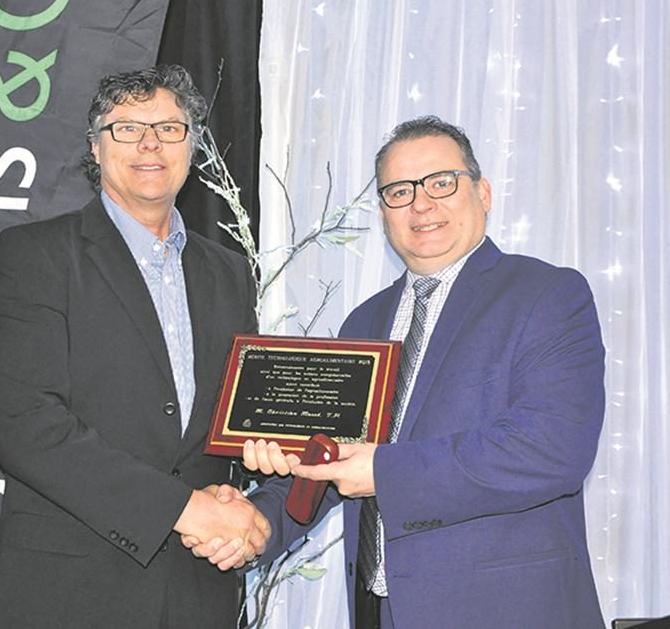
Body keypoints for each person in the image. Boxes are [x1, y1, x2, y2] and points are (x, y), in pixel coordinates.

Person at [188, 116, 606, 629]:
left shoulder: (547, 295)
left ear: (484, 192)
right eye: (399, 191)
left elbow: (552, 448)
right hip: (378, 611)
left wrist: (383, 472)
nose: (421, 204)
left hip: (506, 610)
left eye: (440, 183)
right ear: (383, 211)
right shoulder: (363, 322)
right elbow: (330, 460)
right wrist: (255, 522)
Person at [0, 64, 269, 629]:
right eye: (127, 128)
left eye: (169, 127)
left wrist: (255, 503)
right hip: (71, 592)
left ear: (193, 146)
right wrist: (188, 510)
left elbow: (234, 422)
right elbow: (27, 426)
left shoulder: (229, 273)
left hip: (197, 589)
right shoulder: (33, 257)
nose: (150, 144)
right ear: (95, 146)